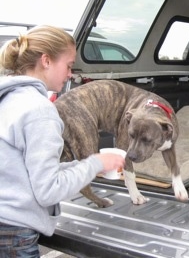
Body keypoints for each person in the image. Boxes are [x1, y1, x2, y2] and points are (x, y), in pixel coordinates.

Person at [0, 25, 125, 257]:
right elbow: (48, 190)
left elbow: (25, 171)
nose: (71, 75)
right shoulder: (39, 111)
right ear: (46, 60)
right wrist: (96, 163)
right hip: (13, 235)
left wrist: (82, 166)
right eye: (68, 66)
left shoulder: (8, 99)